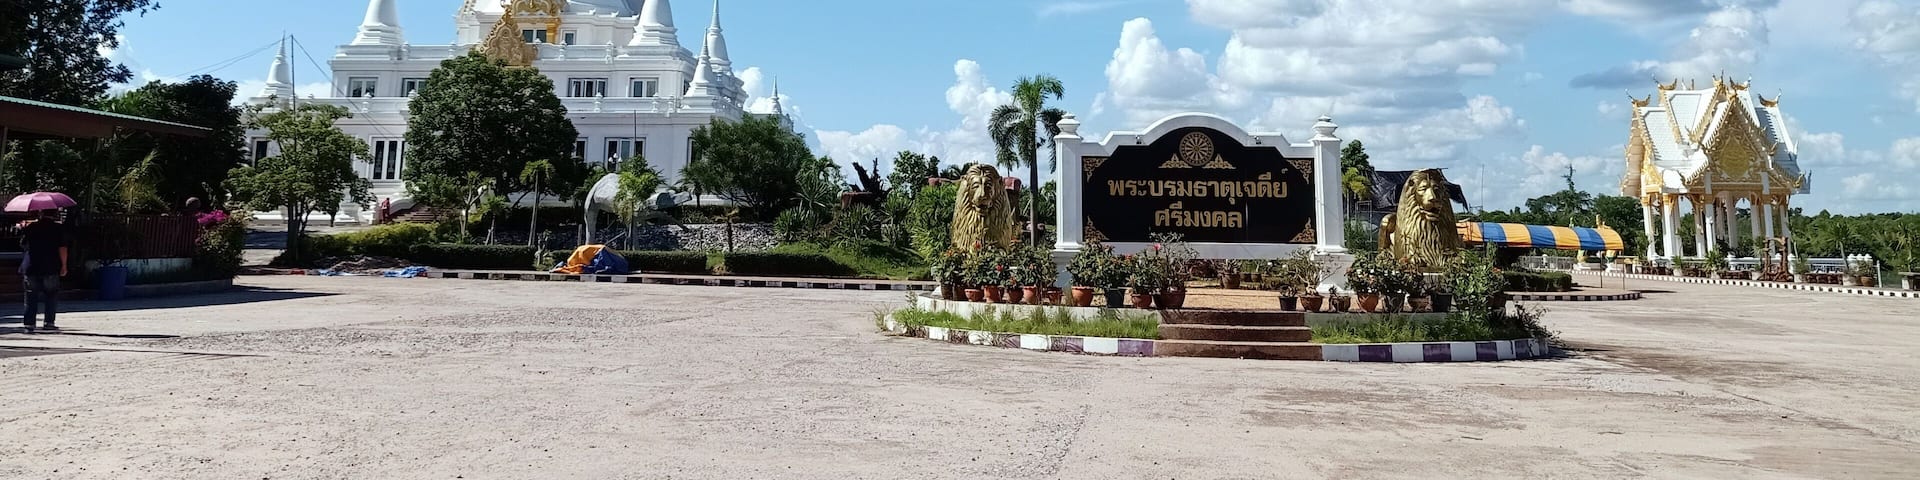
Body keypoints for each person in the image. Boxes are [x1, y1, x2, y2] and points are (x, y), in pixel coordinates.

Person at [18, 210, 70, 333]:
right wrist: (64, 266)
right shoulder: (58, 228)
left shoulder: (31, 227)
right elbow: (62, 248)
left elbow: (23, 244)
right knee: (51, 295)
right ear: (55, 215)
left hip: (32, 267)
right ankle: (49, 322)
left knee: (31, 296)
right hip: (51, 267)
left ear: (40, 214)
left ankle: (29, 323)